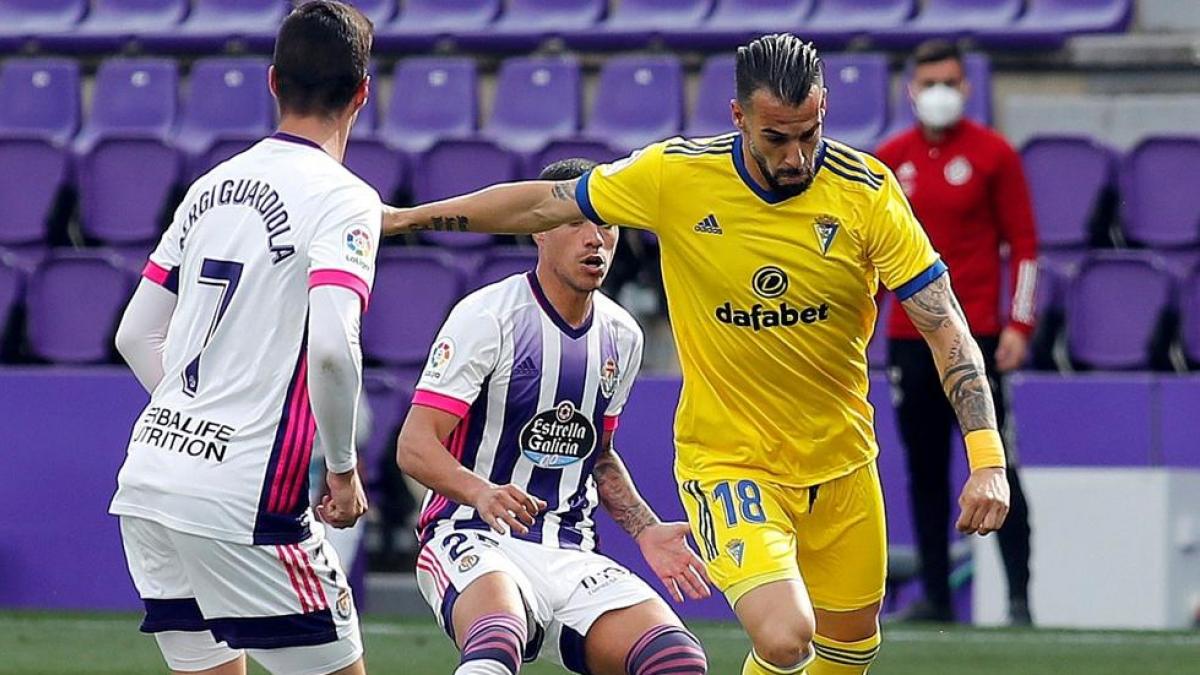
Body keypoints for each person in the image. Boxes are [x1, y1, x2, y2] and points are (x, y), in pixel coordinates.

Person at [383, 33, 1011, 675]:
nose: (797, 157)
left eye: (810, 133)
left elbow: (947, 327)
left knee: (850, 651)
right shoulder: (675, 176)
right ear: (739, 117)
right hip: (729, 462)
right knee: (786, 635)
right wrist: (405, 221)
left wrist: (987, 459)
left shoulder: (867, 192)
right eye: (776, 138)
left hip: (843, 462)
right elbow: (543, 202)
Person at [109, 3, 379, 673]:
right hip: (246, 497)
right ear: (362, 94)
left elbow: (134, 333)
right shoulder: (347, 198)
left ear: (271, 82)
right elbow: (331, 347)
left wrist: (198, 407)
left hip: (152, 477)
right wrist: (341, 467)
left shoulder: (210, 185)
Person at [397, 158, 710, 675]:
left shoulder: (621, 335)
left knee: (678, 661)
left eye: (604, 223)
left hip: (568, 551)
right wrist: (481, 491)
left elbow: (599, 458)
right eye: (574, 222)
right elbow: (414, 445)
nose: (594, 239)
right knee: (497, 643)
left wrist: (646, 529)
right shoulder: (489, 315)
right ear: (538, 230)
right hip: (471, 536)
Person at [876, 39, 1036, 626]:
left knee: (997, 463)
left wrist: (1019, 322)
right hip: (907, 338)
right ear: (911, 90)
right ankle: (938, 599)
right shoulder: (889, 159)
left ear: (966, 87)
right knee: (923, 467)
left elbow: (1024, 244)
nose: (938, 92)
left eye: (949, 81)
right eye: (929, 82)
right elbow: (868, 260)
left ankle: (1019, 599)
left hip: (980, 337)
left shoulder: (995, 155)